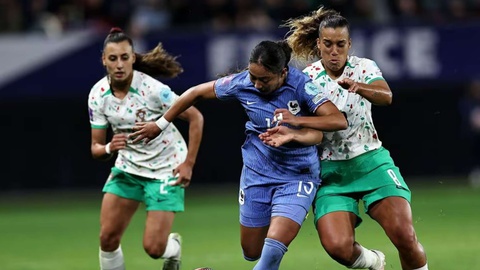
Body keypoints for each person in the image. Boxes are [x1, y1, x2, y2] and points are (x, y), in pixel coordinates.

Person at [129, 40, 348, 270]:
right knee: (252, 251)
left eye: (264, 80)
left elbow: (337, 120)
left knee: (273, 249)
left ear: (283, 73)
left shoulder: (301, 85)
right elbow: (194, 93)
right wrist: (161, 124)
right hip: (257, 173)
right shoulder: (243, 83)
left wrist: (295, 126)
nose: (256, 84)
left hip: (297, 176)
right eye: (253, 76)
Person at [259, 6, 429, 270]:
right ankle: (374, 261)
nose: (334, 51)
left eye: (340, 44)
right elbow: (314, 133)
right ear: (318, 44)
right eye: (327, 44)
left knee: (405, 237)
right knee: (338, 247)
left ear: (349, 44)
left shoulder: (363, 67)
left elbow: (387, 96)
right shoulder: (307, 79)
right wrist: (290, 133)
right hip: (330, 172)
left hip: (371, 162)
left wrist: (359, 87)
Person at [88, 27, 204, 270]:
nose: (119, 64)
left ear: (133, 58)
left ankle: (172, 248)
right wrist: (109, 146)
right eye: (112, 58)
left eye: (124, 57)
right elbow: (96, 148)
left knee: (154, 249)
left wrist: (188, 164)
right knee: (107, 239)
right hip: (128, 168)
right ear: (104, 61)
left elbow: (195, 117)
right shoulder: (98, 95)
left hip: (166, 168)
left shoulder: (153, 90)